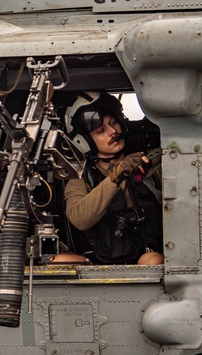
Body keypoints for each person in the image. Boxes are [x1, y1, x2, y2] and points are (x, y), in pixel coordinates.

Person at [63, 93, 164, 265]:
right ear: (84, 141)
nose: (113, 132)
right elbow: (79, 219)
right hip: (101, 260)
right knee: (59, 261)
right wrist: (117, 175)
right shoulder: (81, 177)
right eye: (101, 131)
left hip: (145, 256)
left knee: (152, 260)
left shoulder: (150, 164)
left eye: (113, 123)